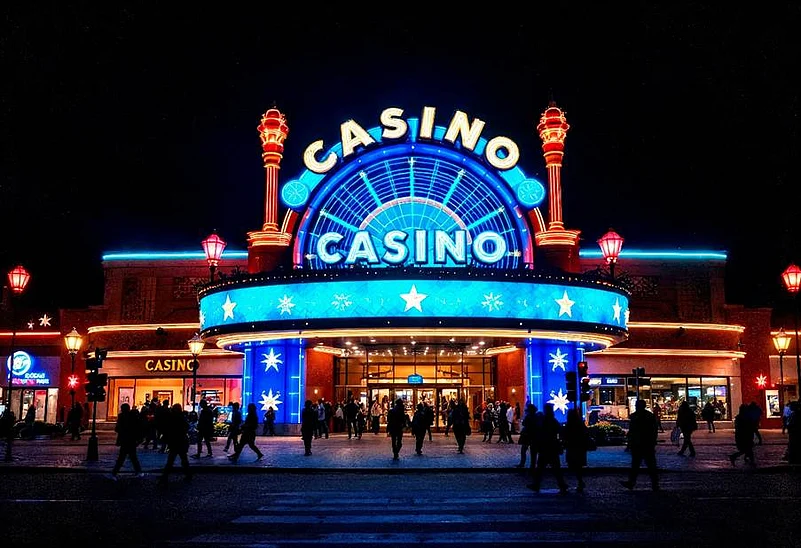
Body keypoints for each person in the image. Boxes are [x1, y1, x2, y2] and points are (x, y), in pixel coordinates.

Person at [527, 403, 568, 494]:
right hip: (552, 447)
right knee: (554, 468)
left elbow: (540, 432)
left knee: (541, 467)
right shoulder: (552, 420)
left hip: (546, 447)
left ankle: (537, 484)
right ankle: (561, 485)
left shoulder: (545, 420)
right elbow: (559, 431)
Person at [621, 399, 659, 491]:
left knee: (638, 464)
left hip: (641, 444)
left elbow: (633, 431)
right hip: (645, 444)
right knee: (648, 465)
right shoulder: (648, 416)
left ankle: (633, 482)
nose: (636, 407)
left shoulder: (636, 416)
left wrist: (630, 442)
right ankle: (654, 484)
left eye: (637, 405)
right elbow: (654, 430)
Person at [108, 403, 144, 480]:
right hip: (132, 439)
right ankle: (139, 471)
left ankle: (114, 473)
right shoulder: (134, 416)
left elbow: (117, 428)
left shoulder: (121, 416)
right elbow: (138, 427)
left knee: (122, 457)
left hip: (125, 439)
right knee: (132, 457)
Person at [158, 404, 192, 486]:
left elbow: (167, 428)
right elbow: (186, 427)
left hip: (175, 441)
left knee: (171, 460)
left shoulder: (172, 417)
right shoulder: (181, 417)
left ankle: (165, 476)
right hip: (181, 441)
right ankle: (188, 474)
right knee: (182, 459)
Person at [563, 408, 588, 493]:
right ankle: (580, 481)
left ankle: (579, 482)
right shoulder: (580, 423)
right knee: (578, 466)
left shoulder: (569, 424)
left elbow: (566, 435)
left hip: (572, 447)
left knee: (574, 465)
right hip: (579, 447)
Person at [516, 404, 537, 468]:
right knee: (533, 452)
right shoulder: (535, 416)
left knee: (523, 450)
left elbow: (524, 423)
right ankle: (533, 465)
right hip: (533, 435)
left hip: (527, 435)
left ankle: (522, 463)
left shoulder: (528, 416)